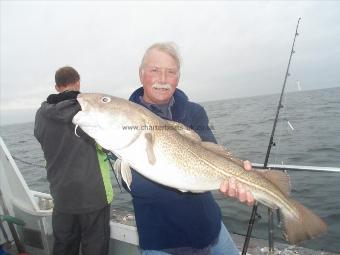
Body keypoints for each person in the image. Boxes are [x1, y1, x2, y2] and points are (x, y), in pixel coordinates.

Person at [128, 42, 255, 255]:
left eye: (171, 72)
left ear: (178, 78)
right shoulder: (124, 120)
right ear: (141, 75)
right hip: (161, 241)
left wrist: (236, 174)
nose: (162, 79)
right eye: (155, 70)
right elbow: (135, 186)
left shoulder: (194, 111)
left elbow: (212, 153)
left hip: (210, 229)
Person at [34, 66, 113, 255]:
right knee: (95, 247)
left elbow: (41, 137)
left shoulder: (41, 114)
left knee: (64, 247)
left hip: (61, 196)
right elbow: (107, 143)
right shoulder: (90, 109)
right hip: (93, 195)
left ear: (56, 86)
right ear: (78, 81)